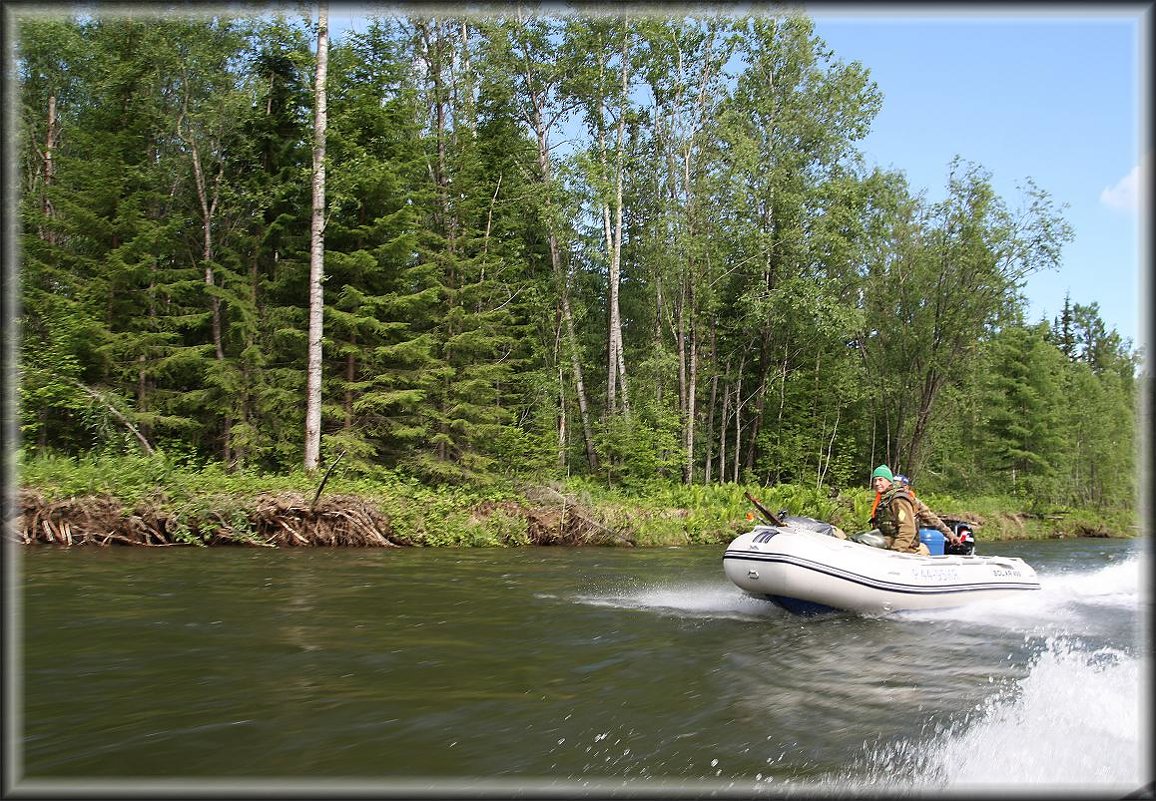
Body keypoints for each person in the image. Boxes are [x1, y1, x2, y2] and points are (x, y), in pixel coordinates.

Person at [868, 465, 928, 555]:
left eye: (880, 480)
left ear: (889, 481)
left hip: (902, 549)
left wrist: (895, 553)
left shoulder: (898, 500)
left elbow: (908, 530)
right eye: (875, 480)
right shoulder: (884, 500)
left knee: (864, 540)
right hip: (887, 543)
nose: (877, 483)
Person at [894, 474, 960, 547]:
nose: (897, 490)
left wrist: (950, 535)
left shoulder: (915, 503)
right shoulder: (886, 502)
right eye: (894, 486)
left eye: (900, 487)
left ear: (907, 488)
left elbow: (933, 519)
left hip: (908, 545)